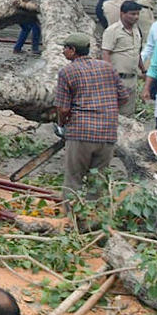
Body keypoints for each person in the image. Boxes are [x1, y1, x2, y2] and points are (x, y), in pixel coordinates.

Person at [55, 32, 128, 203]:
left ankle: (71, 218)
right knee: (98, 182)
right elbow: (123, 97)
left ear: (73, 50)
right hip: (107, 133)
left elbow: (63, 108)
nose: (63, 51)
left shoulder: (67, 72)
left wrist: (62, 125)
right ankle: (93, 218)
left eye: (65, 48)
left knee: (73, 179)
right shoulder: (107, 67)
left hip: (81, 133)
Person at [101, 0, 145, 116]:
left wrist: (144, 70)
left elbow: (137, 52)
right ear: (122, 14)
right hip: (118, 79)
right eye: (132, 14)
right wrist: (111, 78)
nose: (136, 17)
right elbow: (106, 54)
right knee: (114, 114)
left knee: (128, 114)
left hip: (132, 79)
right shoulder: (112, 31)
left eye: (137, 14)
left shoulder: (137, 30)